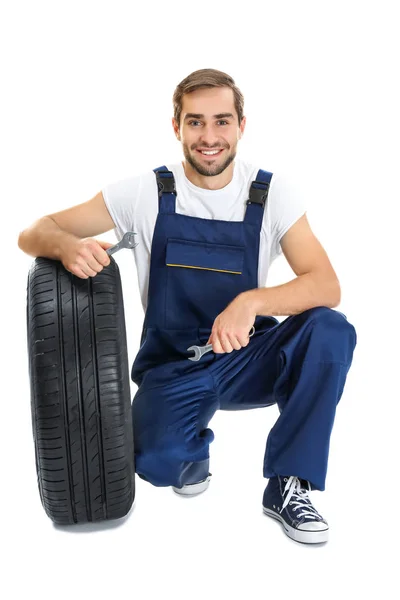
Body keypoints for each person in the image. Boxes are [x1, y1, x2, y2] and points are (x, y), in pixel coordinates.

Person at [18, 68, 357, 545]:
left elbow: (327, 285)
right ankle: (189, 451)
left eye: (222, 121)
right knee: (154, 459)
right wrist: (63, 245)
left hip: (248, 357)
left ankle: (288, 484)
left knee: (330, 330)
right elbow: (34, 230)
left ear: (242, 125)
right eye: (195, 122)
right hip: (173, 367)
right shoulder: (144, 192)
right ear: (176, 127)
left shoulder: (273, 193)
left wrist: (252, 301)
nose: (209, 137)